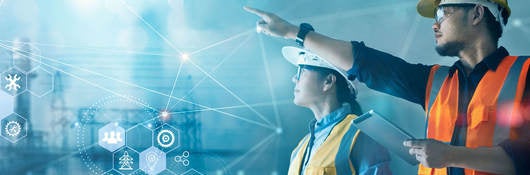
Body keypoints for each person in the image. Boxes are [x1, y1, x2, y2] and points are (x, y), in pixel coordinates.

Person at [244, 0, 530, 174]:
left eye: (443, 12)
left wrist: (449, 155)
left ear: (477, 13)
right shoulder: (436, 81)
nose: (434, 25)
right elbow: (369, 64)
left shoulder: (525, 74)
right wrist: (296, 33)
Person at [281, 46, 391, 174]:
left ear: (328, 81)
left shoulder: (360, 133)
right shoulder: (300, 148)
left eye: (302, 71)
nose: (294, 78)